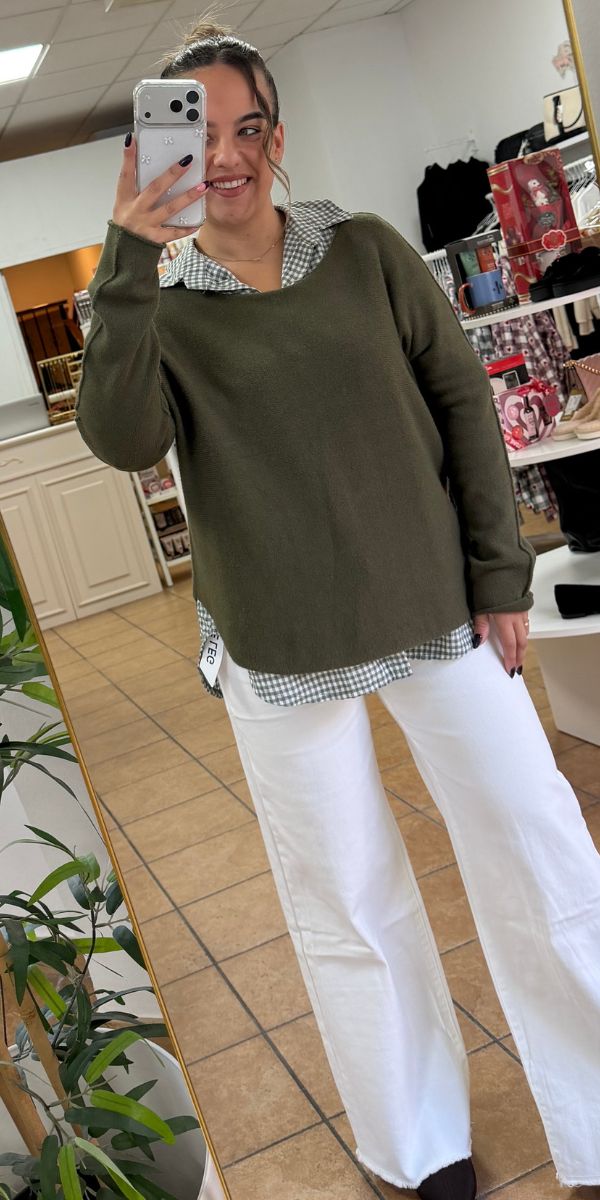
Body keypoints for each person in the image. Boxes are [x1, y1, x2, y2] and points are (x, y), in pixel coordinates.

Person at [75, 20, 600, 1200]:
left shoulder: (364, 251)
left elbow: (462, 402)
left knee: (540, 845)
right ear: (160, 152)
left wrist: (499, 573)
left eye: (247, 127)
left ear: (277, 133)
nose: (226, 156)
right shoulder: (158, 302)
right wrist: (127, 254)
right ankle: (417, 1150)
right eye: (196, 136)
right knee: (349, 904)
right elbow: (122, 438)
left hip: (435, 609)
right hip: (278, 643)